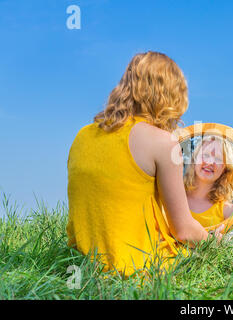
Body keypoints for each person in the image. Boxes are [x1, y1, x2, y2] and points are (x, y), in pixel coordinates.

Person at [66, 51, 224, 277]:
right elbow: (183, 231)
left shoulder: (80, 136)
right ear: (170, 98)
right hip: (139, 269)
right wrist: (213, 242)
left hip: (83, 266)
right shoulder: (162, 143)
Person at [183, 135, 233, 228]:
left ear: (225, 168)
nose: (210, 162)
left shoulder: (229, 211)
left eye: (218, 159)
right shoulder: (175, 195)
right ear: (195, 159)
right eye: (205, 155)